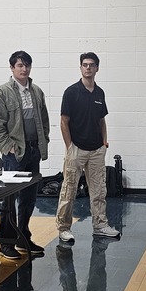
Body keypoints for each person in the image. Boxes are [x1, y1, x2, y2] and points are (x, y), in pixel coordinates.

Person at [0, 50, 51, 260]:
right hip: (15, 154)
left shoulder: (37, 92)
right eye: (20, 65)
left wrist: (44, 142)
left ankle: (23, 236)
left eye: (27, 65)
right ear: (12, 68)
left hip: (33, 152)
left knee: (29, 197)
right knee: (9, 199)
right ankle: (6, 243)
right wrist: (9, 148)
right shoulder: (2, 93)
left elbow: (44, 121)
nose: (24, 69)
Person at [56, 52, 120, 243]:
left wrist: (104, 142)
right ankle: (63, 228)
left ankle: (100, 225)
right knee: (69, 190)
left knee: (99, 190)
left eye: (92, 65)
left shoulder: (100, 93)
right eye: (85, 65)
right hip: (76, 149)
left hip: (96, 151)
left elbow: (102, 121)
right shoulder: (71, 92)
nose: (88, 68)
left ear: (97, 68)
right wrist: (70, 148)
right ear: (80, 67)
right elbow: (63, 122)